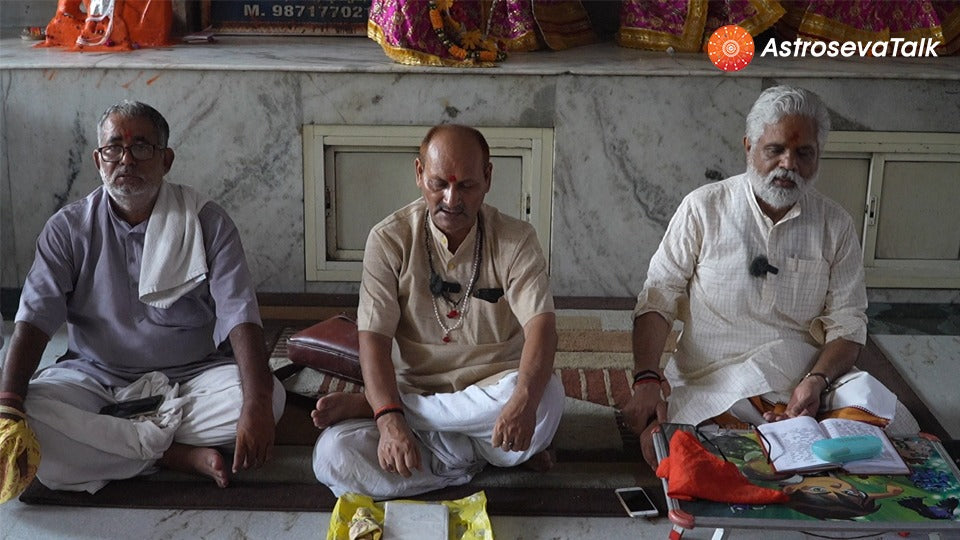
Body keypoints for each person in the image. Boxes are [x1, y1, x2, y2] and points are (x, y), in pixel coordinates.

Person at [623, 85, 919, 468]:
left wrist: (816, 381)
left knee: (893, 426)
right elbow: (657, 298)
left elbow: (848, 326)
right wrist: (647, 378)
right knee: (671, 449)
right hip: (716, 382)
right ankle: (790, 449)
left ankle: (785, 444)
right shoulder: (704, 208)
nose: (788, 164)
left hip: (806, 385)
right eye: (775, 150)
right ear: (749, 147)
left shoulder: (836, 225)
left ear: (818, 157)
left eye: (803, 153)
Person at [0, 101, 285, 493]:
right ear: (98, 161)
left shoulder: (207, 221)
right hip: (94, 378)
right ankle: (170, 455)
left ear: (166, 160)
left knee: (266, 398)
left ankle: (115, 447)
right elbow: (33, 319)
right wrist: (9, 403)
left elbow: (240, 313)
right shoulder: (67, 228)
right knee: (26, 416)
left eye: (141, 147)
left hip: (189, 379)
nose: (126, 160)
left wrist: (255, 401)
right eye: (114, 148)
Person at [310, 124, 565, 498]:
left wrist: (387, 412)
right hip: (423, 389)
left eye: (466, 186)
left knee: (544, 400)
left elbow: (543, 328)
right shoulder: (389, 239)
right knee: (331, 456)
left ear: (488, 177)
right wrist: (390, 422)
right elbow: (373, 341)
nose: (451, 199)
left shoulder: (516, 239)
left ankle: (416, 430)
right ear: (418, 174)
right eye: (438, 184)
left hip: (493, 393)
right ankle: (479, 458)